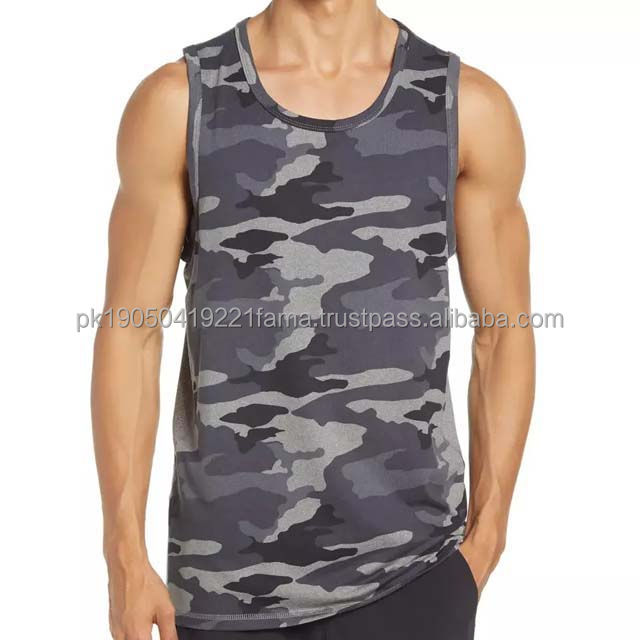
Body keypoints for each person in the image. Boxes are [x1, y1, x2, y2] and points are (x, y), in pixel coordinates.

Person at [91, 1, 535, 639]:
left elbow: (504, 333)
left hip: (415, 572)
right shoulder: (183, 101)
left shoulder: (464, 107)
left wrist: (485, 541)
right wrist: (124, 557)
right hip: (226, 582)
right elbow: (131, 333)